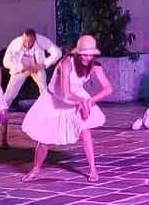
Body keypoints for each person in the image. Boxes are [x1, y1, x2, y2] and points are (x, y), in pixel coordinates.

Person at [21, 34, 112, 183]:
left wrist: (90, 101)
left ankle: (93, 169)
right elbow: (66, 92)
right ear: (78, 53)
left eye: (90, 55)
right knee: (43, 138)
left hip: (78, 96)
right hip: (55, 98)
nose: (87, 58)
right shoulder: (66, 63)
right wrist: (82, 101)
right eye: (84, 54)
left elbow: (108, 89)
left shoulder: (95, 67)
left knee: (85, 129)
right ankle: (36, 169)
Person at [3, 28, 62, 107]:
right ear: (22, 38)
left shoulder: (42, 40)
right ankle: (2, 110)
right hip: (21, 68)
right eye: (25, 41)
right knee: (10, 91)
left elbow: (58, 52)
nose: (27, 45)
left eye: (30, 42)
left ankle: (47, 108)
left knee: (43, 87)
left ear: (35, 39)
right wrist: (21, 67)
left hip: (37, 67)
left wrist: (44, 64)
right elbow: (6, 61)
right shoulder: (15, 43)